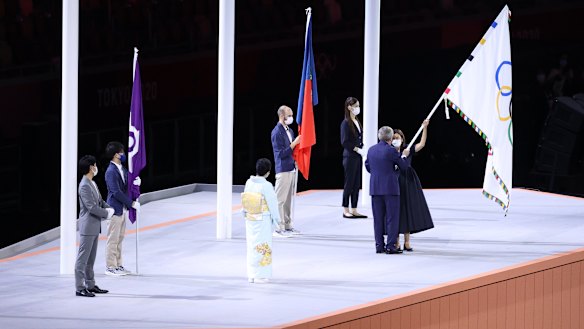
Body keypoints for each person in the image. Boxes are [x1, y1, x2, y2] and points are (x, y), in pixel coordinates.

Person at [365, 126, 410, 254]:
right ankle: (391, 246)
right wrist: (404, 156)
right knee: (392, 218)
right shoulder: (391, 151)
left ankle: (379, 246)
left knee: (378, 219)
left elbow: (368, 166)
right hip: (390, 188)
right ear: (390, 137)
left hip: (375, 188)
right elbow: (403, 167)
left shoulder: (371, 150)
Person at [391, 120, 434, 251]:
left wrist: (424, 128)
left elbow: (422, 144)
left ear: (402, 139)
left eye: (397, 138)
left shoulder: (407, 149)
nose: (395, 140)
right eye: (393, 138)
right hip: (394, 181)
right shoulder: (389, 151)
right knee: (397, 211)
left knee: (407, 210)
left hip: (408, 181)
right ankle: (396, 241)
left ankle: (407, 242)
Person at [75, 155, 114, 297]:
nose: (96, 167)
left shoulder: (92, 183)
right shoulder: (84, 185)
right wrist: (106, 214)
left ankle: (90, 285)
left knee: (90, 260)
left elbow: (100, 201)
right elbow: (91, 207)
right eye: (95, 165)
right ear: (91, 167)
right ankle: (79, 287)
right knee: (82, 259)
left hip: (94, 226)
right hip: (87, 226)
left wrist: (110, 208)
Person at [241, 158, 281, 283]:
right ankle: (261, 275)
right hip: (262, 218)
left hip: (250, 217)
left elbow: (246, 200)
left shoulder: (249, 182)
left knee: (252, 245)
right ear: (268, 172)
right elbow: (273, 204)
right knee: (263, 245)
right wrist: (277, 220)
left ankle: (251, 274)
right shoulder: (266, 185)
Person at [104, 142, 140, 276]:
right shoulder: (110, 171)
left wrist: (136, 182)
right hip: (114, 209)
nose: (123, 154)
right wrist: (131, 203)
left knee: (119, 239)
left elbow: (128, 181)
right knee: (112, 240)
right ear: (116, 155)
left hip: (122, 209)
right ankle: (110, 266)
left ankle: (118, 265)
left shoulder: (122, 168)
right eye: (121, 152)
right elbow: (116, 192)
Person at [270, 105, 301, 236]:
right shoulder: (276, 132)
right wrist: (294, 144)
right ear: (282, 116)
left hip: (291, 168)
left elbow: (292, 152)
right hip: (282, 169)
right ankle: (278, 227)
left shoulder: (290, 130)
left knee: (288, 200)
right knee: (279, 200)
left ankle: (287, 225)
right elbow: (280, 153)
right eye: (290, 115)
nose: (292, 117)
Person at [340, 96, 367, 218]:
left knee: (356, 183)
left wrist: (362, 147)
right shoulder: (345, 123)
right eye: (356, 106)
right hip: (350, 156)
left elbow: (358, 137)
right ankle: (345, 209)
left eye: (358, 106)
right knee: (349, 183)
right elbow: (345, 141)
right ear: (349, 107)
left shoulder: (356, 121)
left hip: (357, 156)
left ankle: (354, 208)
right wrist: (357, 149)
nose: (358, 108)